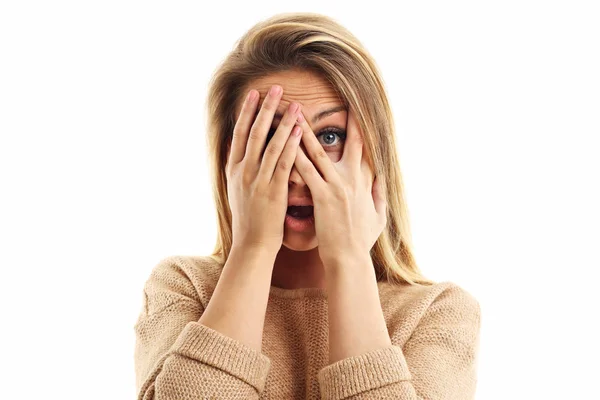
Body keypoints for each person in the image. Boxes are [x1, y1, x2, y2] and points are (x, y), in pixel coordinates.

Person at [133, 12, 481, 400]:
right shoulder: (183, 288)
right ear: (229, 158)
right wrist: (253, 247)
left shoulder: (437, 314)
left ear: (374, 155)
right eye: (270, 137)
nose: (298, 173)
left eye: (329, 136)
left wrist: (349, 259)